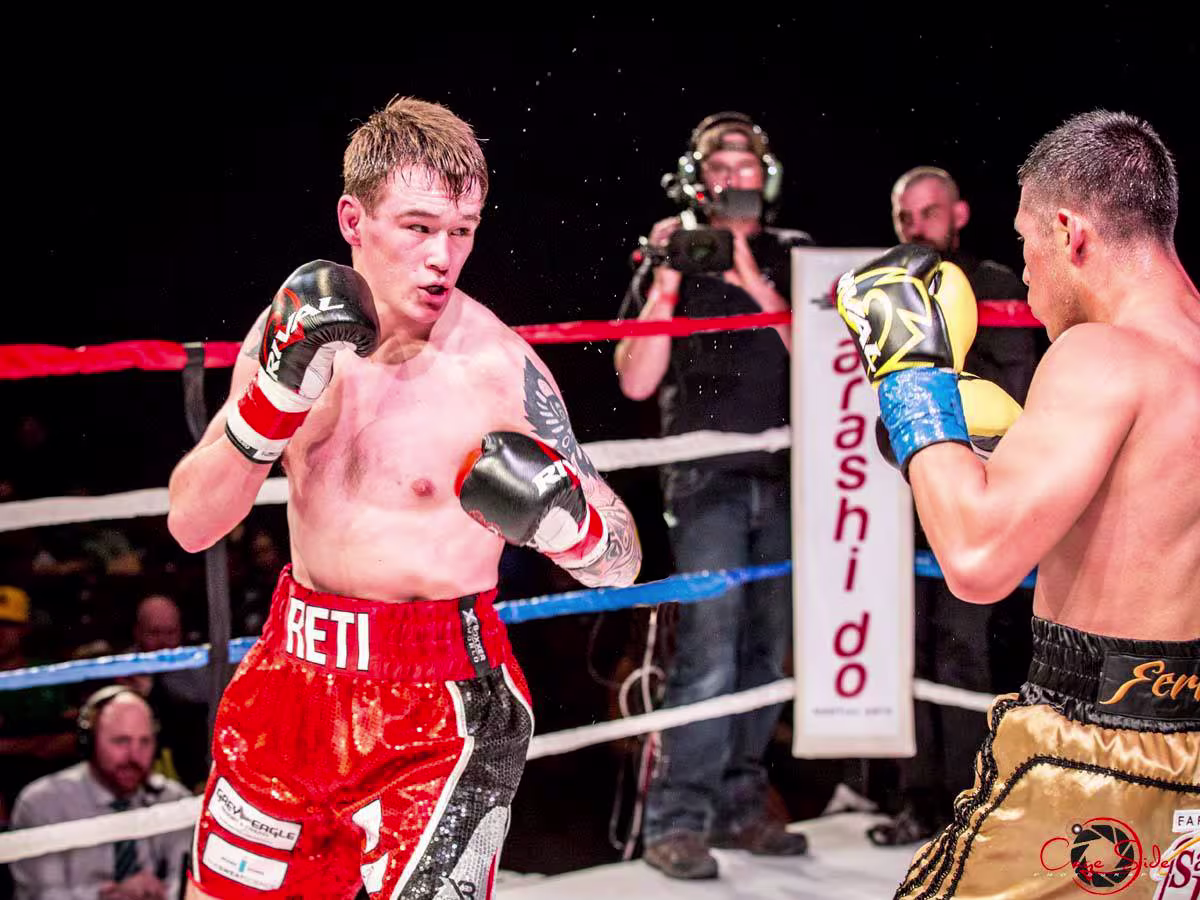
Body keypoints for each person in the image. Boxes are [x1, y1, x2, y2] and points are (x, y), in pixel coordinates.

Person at [166, 96, 642, 900]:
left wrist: (572, 524)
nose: (442, 257)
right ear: (353, 219)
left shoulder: (497, 372)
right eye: (418, 227)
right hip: (290, 678)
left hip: (443, 704)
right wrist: (269, 409)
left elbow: (622, 558)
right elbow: (190, 523)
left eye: (462, 231)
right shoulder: (291, 328)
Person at [836, 109, 1199, 898]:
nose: (1026, 276)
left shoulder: (1100, 354)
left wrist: (910, 385)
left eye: (1027, 245)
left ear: (1069, 231)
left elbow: (976, 561)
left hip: (1091, 764)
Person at [614, 112, 811, 880]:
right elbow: (635, 379)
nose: (736, 178)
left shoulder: (791, 255)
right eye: (721, 166)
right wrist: (668, 273)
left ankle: (740, 805)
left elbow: (824, 363)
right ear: (698, 179)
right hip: (704, 480)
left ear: (767, 177)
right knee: (707, 652)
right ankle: (677, 820)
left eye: (747, 165)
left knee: (766, 653)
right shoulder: (672, 252)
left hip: (787, 472)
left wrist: (748, 278)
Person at [869, 166, 1040, 846]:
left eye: (930, 211)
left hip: (974, 484)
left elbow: (1009, 390)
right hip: (896, 487)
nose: (918, 226)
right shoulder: (886, 286)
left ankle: (970, 801)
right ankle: (914, 798)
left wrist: (929, 397)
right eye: (905, 215)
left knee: (961, 644)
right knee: (904, 646)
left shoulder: (995, 282)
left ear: (958, 213)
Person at [9, 686, 193, 900]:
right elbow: (43, 895)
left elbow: (185, 885)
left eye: (145, 741)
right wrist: (112, 895)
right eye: (120, 741)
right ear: (89, 741)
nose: (134, 756)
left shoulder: (173, 799)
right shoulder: (41, 803)